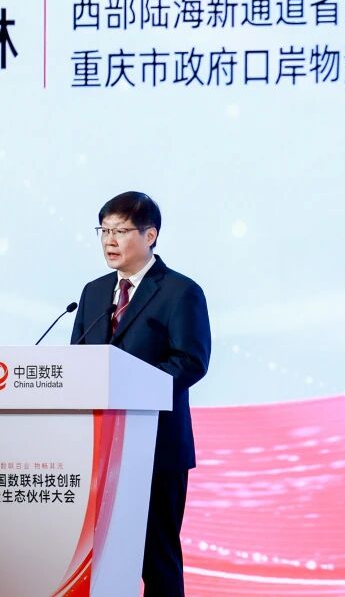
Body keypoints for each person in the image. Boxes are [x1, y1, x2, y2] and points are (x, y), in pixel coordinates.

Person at [70, 191, 211, 596]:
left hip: (155, 448)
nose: (109, 240)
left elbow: (190, 361)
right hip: (97, 449)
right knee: (97, 558)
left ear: (150, 235)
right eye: (104, 231)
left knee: (157, 558)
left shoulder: (180, 291)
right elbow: (77, 360)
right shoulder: (93, 292)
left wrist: (130, 389)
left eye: (120, 231)